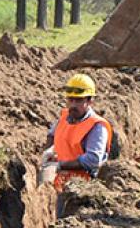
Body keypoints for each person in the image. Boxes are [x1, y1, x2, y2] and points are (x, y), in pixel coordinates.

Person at [41, 73, 114, 202]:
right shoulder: (64, 117)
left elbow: (93, 159)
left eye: (79, 100)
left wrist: (59, 166)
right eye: (71, 99)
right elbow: (52, 135)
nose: (73, 105)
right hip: (60, 184)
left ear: (90, 100)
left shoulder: (97, 127)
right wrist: (49, 151)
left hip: (81, 191)